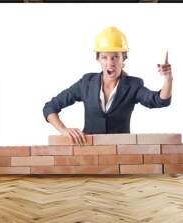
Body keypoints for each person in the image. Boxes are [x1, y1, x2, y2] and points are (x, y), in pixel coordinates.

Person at [43, 26, 173, 144]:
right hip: (89, 152)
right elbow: (50, 108)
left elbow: (160, 101)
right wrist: (64, 130)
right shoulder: (86, 83)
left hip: (121, 154)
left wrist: (167, 78)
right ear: (98, 59)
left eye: (115, 57)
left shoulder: (133, 85)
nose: (110, 63)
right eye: (104, 57)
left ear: (123, 59)